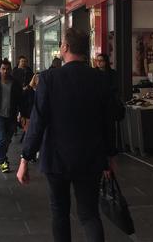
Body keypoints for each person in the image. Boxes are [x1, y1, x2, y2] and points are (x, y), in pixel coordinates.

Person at [17, 28, 115, 242]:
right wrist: (108, 156)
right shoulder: (100, 79)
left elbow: (38, 120)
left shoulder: (49, 79)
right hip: (91, 157)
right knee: (89, 214)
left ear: (66, 47)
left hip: (56, 159)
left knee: (59, 213)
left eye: (61, 43)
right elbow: (109, 121)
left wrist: (26, 157)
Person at [0, 61, 27, 173]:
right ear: (0, 69)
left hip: (11, 115)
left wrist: (22, 114)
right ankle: (3, 161)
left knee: (7, 140)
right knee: (2, 139)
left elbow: (20, 100)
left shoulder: (15, 83)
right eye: (3, 69)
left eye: (7, 69)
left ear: (10, 70)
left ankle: (0, 155)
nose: (5, 71)